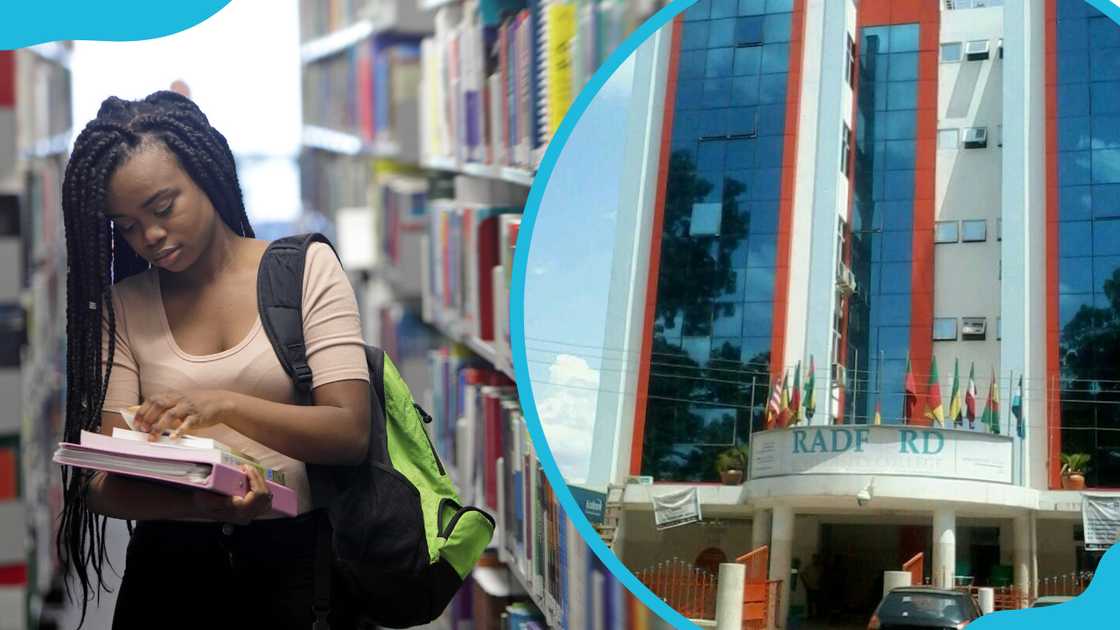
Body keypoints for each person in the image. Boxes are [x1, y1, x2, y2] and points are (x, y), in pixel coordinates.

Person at [56, 91, 371, 629]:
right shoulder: (123, 308)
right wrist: (208, 507)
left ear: (206, 173)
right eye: (126, 225)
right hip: (170, 576)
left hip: (301, 571)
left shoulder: (305, 270)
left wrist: (221, 406)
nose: (150, 236)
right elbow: (104, 485)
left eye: (162, 208)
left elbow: (349, 433)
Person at [800, 553, 823, 620]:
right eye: (814, 558)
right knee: (810, 602)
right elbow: (802, 574)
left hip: (818, 588)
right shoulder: (808, 567)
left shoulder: (820, 567)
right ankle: (810, 616)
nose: (815, 560)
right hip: (810, 588)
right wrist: (806, 584)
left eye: (817, 558)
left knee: (817, 603)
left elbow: (822, 577)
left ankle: (817, 616)